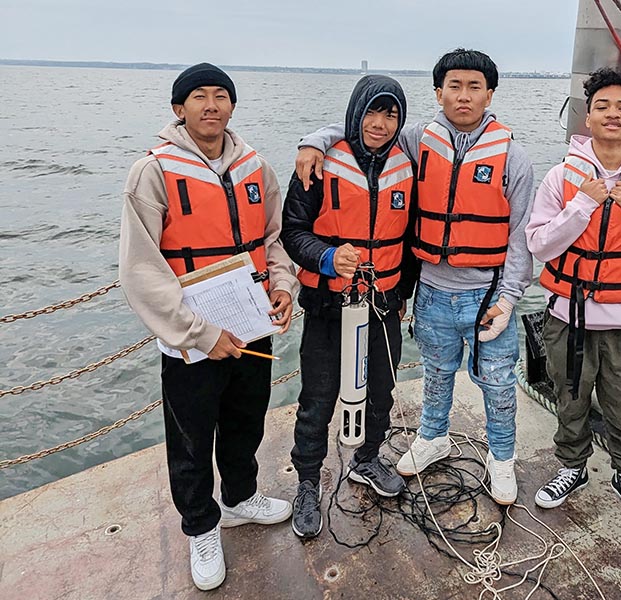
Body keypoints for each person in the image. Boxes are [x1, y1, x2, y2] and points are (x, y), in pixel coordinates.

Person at [294, 49, 535, 505]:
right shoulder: (418, 139)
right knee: (436, 373)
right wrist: (314, 140)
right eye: (454, 86)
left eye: (474, 87)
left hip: (486, 295)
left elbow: (521, 237)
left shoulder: (514, 157)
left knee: (499, 382)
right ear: (439, 92)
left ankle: (502, 460)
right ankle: (432, 436)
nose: (463, 96)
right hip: (431, 292)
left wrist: (508, 298)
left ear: (490, 94)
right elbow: (362, 131)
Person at [118, 63, 297, 590]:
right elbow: (141, 271)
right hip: (190, 340)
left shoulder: (256, 168)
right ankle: (200, 526)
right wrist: (198, 333)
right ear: (179, 109)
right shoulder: (151, 173)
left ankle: (241, 498)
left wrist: (283, 286)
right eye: (199, 96)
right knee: (191, 439)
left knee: (246, 420)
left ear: (233, 107)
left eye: (222, 96)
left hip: (250, 324)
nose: (212, 105)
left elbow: (275, 239)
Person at [525, 68, 621, 530]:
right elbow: (540, 244)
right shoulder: (561, 176)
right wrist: (583, 205)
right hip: (567, 315)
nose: (613, 115)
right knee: (569, 399)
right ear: (587, 116)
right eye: (603, 106)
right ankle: (571, 468)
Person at [280, 75, 419, 538]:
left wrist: (403, 296)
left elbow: (412, 239)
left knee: (382, 391)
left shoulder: (408, 164)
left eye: (391, 114)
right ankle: (306, 482)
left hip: (382, 303)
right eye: (372, 113)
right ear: (355, 114)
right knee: (317, 399)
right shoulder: (317, 165)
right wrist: (326, 256)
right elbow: (292, 230)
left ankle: (366, 458)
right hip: (327, 303)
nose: (380, 124)